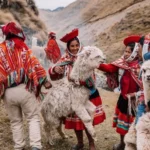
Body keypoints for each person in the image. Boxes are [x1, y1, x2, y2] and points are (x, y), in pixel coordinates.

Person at [49, 29, 106, 150]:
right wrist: (55, 70)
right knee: (76, 120)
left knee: (88, 119)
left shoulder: (87, 55)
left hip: (88, 92)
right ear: (68, 47)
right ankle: (80, 143)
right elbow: (53, 74)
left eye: (77, 45)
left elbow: (99, 64)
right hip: (73, 94)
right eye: (72, 46)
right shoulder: (65, 59)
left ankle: (91, 143)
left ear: (80, 45)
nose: (75, 48)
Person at [0, 22, 52, 150]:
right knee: (33, 118)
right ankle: (35, 146)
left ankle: (19, 146)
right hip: (25, 89)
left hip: (8, 92)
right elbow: (34, 63)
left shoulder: (0, 50)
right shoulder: (22, 48)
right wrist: (44, 80)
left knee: (15, 121)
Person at [98, 35, 143, 150]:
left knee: (137, 125)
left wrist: (136, 95)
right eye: (125, 51)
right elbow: (109, 68)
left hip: (138, 101)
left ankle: (136, 145)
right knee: (122, 124)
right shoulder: (122, 62)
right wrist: (94, 62)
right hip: (124, 99)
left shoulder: (143, 66)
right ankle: (122, 144)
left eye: (130, 51)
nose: (126, 54)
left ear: (137, 52)